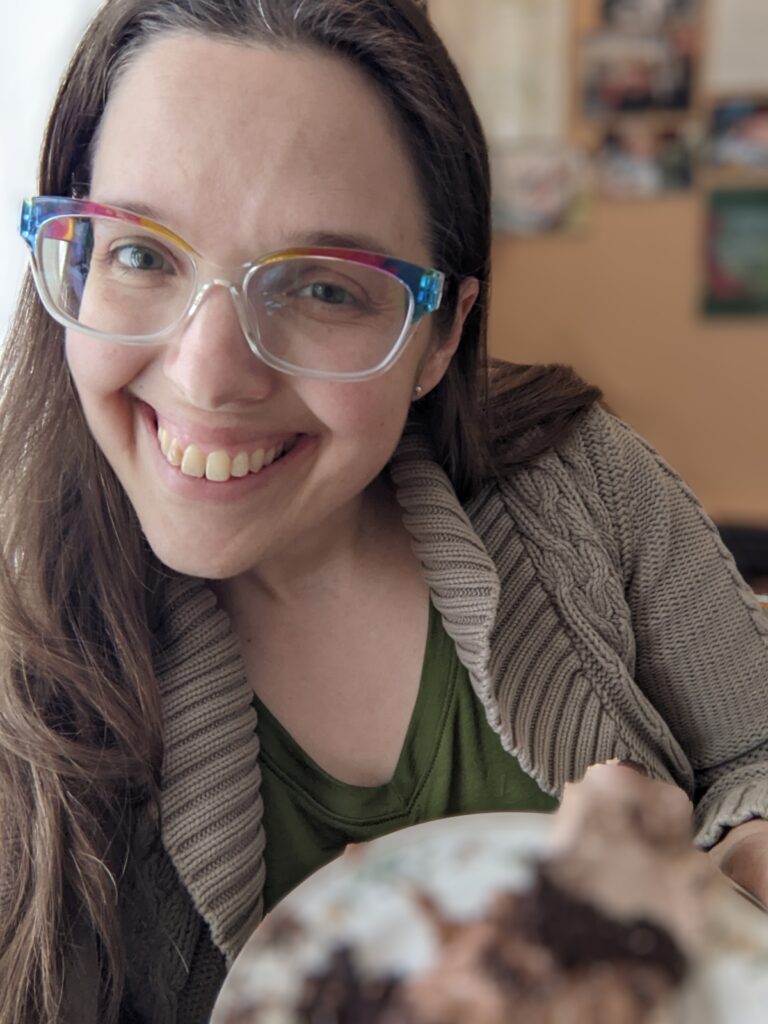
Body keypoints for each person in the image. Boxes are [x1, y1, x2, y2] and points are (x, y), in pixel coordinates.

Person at [1, 1, 767, 1022]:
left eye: (324, 287)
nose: (210, 375)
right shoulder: (23, 653)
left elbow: (752, 753)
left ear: (440, 336)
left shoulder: (585, 484)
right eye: (142, 253)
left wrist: (722, 889)